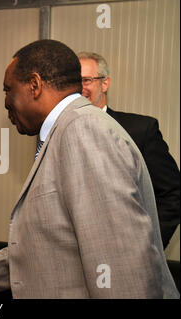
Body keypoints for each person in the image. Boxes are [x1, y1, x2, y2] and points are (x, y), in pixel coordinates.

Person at [0, 40, 179, 298]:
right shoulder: (65, 131)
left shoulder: (83, 131)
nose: (6, 101)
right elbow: (55, 249)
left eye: (8, 90)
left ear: (34, 84)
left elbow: (120, 265)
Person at [77, 51, 180, 249]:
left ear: (105, 83)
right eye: (74, 81)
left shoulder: (140, 130)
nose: (80, 88)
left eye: (86, 80)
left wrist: (148, 245)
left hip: (127, 254)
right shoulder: (54, 133)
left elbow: (173, 193)